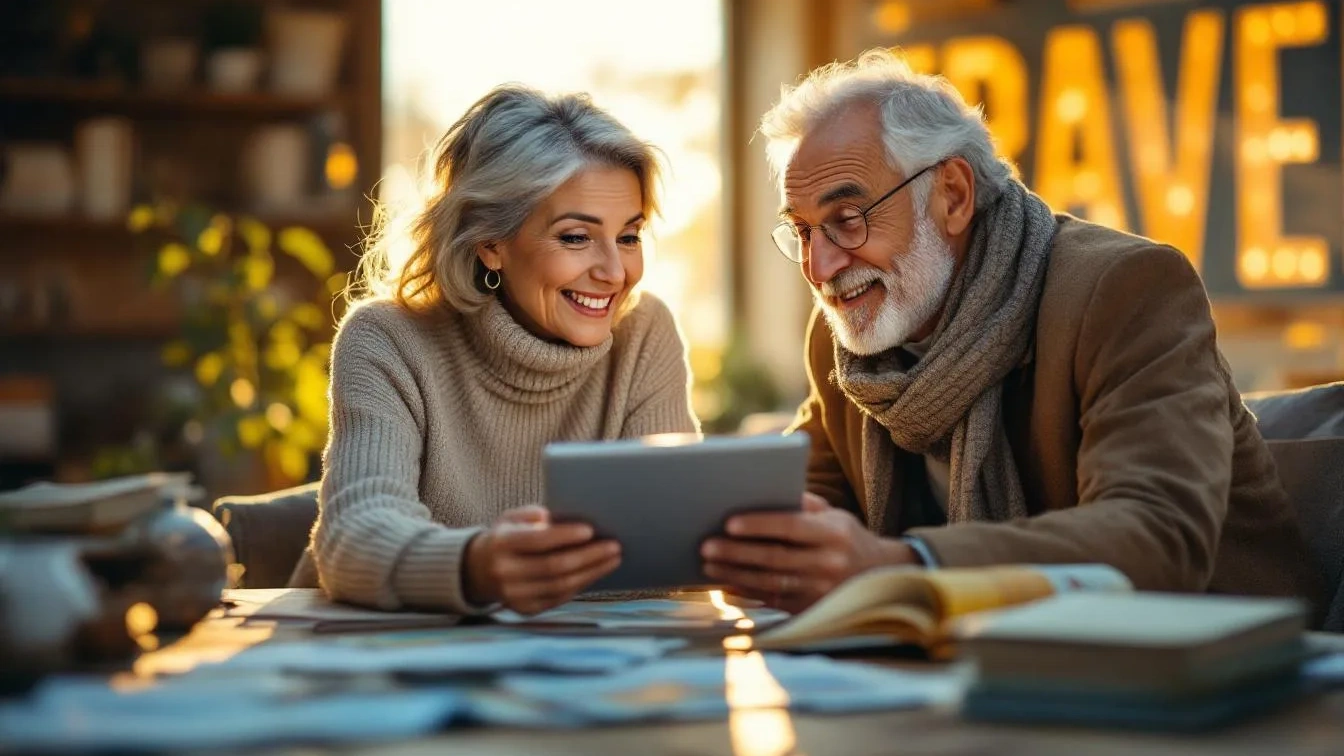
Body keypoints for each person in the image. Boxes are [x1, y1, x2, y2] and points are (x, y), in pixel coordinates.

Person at [701, 49, 1322, 615]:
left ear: (952, 195)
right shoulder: (844, 338)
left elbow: (1158, 535)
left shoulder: (1125, 289)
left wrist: (905, 566)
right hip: (972, 667)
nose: (820, 268)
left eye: (847, 217)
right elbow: (805, 501)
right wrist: (746, 545)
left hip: (1224, 665)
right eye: (803, 231)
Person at [310, 85, 699, 615]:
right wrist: (476, 566)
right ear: (490, 243)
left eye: (628, 237)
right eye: (576, 237)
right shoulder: (388, 340)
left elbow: (669, 549)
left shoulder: (644, 333)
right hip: (399, 653)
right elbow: (353, 539)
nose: (614, 272)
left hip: (595, 658)